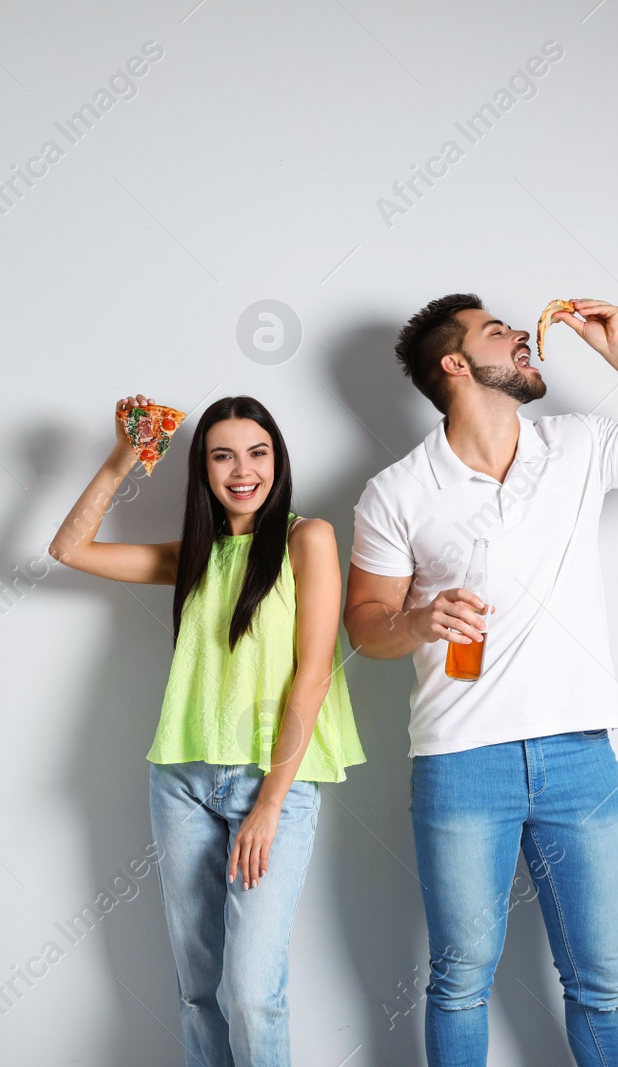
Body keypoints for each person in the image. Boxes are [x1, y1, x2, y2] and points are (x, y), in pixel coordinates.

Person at [342, 295, 618, 1066]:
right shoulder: (397, 490)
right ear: (456, 366)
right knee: (459, 979)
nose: (522, 334)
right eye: (498, 332)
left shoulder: (578, 444)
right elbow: (364, 623)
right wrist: (419, 622)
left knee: (602, 979)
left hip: (580, 757)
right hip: (461, 764)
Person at [50, 394, 365, 1066]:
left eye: (258, 452)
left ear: (277, 459)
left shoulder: (309, 538)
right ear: (203, 470)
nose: (242, 469)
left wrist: (271, 804)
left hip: (269, 780)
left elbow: (313, 675)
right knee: (198, 989)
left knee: (250, 991)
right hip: (182, 779)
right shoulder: (192, 553)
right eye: (222, 455)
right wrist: (123, 457)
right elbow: (69, 548)